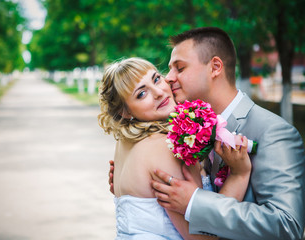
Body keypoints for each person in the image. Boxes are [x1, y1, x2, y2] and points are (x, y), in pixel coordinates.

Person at [150, 27, 305, 239]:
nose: (168, 78)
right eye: (170, 69)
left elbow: (287, 226)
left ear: (215, 67)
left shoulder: (273, 132)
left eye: (180, 68)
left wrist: (195, 203)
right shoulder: (188, 128)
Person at [99, 57, 252, 239]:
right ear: (125, 112)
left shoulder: (124, 143)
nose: (158, 92)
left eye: (156, 79)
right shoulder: (164, 147)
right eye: (141, 94)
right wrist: (239, 174)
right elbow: (204, 237)